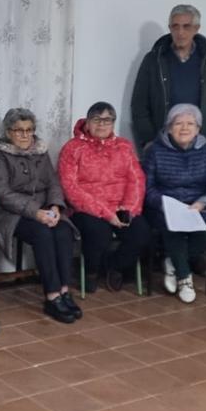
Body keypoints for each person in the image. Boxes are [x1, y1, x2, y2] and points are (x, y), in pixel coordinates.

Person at [0, 108, 79, 324]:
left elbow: (53, 182)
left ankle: (64, 290)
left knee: (63, 230)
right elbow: (1, 193)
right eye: (19, 131)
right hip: (11, 215)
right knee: (43, 233)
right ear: (9, 132)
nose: (26, 135)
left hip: (45, 209)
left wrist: (55, 206)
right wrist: (35, 212)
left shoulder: (40, 150)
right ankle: (52, 296)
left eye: (29, 130)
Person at [58, 101, 152, 293]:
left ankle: (114, 266)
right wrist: (106, 213)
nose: (102, 125)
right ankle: (91, 271)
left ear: (113, 123)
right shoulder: (72, 148)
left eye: (107, 120)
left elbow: (136, 179)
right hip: (87, 209)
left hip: (121, 206)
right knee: (99, 233)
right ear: (87, 122)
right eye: (96, 119)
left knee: (141, 233)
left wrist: (128, 209)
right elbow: (70, 188)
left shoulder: (124, 146)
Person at [141, 103, 206, 304]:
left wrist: (203, 203)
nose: (184, 128)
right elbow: (147, 187)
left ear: (198, 129)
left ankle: (174, 261)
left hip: (196, 206)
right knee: (173, 228)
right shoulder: (155, 151)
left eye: (190, 124)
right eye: (178, 123)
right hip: (163, 206)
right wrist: (165, 203)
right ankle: (185, 278)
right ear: (169, 127)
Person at [131, 4, 206, 168]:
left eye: (186, 26)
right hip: (164, 144)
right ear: (170, 28)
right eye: (175, 26)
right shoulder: (153, 59)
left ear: (196, 28)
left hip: (202, 144)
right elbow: (139, 105)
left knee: (202, 191)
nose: (180, 32)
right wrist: (148, 140)